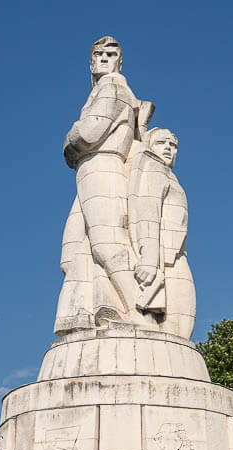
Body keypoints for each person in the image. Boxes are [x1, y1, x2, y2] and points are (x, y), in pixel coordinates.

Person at [61, 36, 153, 330]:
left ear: (118, 61)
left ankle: (141, 312)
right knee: (74, 249)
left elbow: (88, 134)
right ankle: (91, 312)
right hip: (89, 168)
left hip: (103, 163)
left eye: (111, 54)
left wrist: (70, 137)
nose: (103, 58)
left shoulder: (113, 88)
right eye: (98, 54)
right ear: (90, 62)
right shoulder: (102, 90)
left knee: (106, 243)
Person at [128, 128, 196, 339]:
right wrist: (149, 259)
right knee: (180, 326)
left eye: (173, 145)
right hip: (164, 259)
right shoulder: (153, 167)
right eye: (161, 143)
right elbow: (148, 210)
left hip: (174, 255)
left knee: (182, 326)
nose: (168, 148)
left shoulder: (169, 175)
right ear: (149, 145)